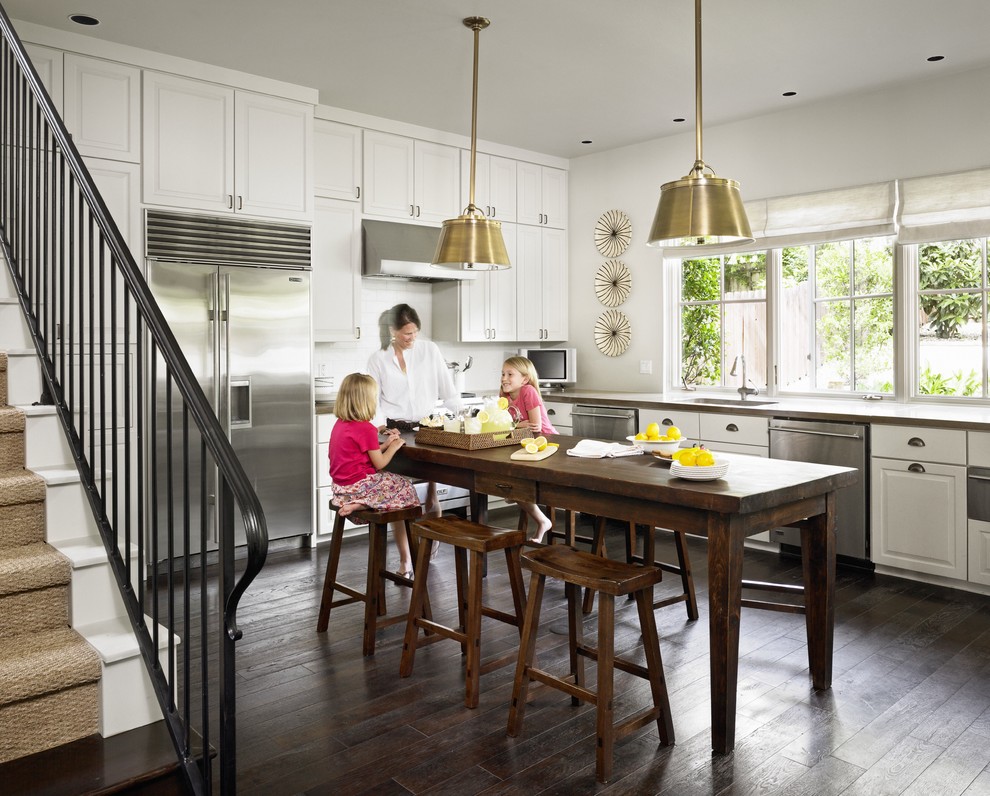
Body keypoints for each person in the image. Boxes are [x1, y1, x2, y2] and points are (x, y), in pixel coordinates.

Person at [367, 303, 460, 518]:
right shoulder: (378, 358)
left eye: (415, 332)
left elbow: (449, 393)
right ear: (392, 331)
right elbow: (373, 400)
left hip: (427, 431)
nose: (413, 337)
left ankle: (430, 546)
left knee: (431, 493)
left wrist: (464, 418)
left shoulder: (430, 350)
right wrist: (378, 428)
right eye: (408, 333)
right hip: (394, 433)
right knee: (397, 494)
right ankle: (406, 550)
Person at [328, 373, 420, 577]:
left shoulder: (340, 425)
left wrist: (385, 444)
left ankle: (360, 502)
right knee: (405, 486)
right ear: (366, 401)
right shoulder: (366, 429)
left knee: (389, 481)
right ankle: (365, 503)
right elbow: (379, 462)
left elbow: (363, 455)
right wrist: (394, 446)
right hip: (358, 488)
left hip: (341, 489)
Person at [500, 356, 558, 543]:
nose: (504, 378)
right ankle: (541, 520)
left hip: (546, 442)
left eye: (510, 374)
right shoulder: (504, 395)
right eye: (502, 374)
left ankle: (540, 520)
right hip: (524, 444)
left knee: (515, 487)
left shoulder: (528, 391)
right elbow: (502, 425)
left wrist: (514, 425)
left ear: (524, 379)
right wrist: (516, 425)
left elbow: (535, 426)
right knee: (512, 485)